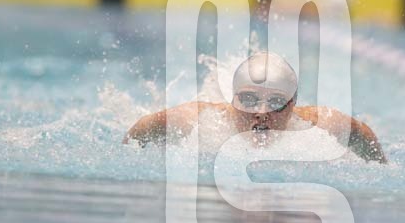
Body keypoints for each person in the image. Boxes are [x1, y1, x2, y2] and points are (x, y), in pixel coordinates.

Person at [123, 52, 386, 163]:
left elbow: (361, 132)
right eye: (248, 100)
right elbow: (144, 126)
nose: (261, 113)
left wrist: (380, 166)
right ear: (233, 100)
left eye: (276, 103)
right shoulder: (199, 120)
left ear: (292, 105)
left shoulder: (319, 125)